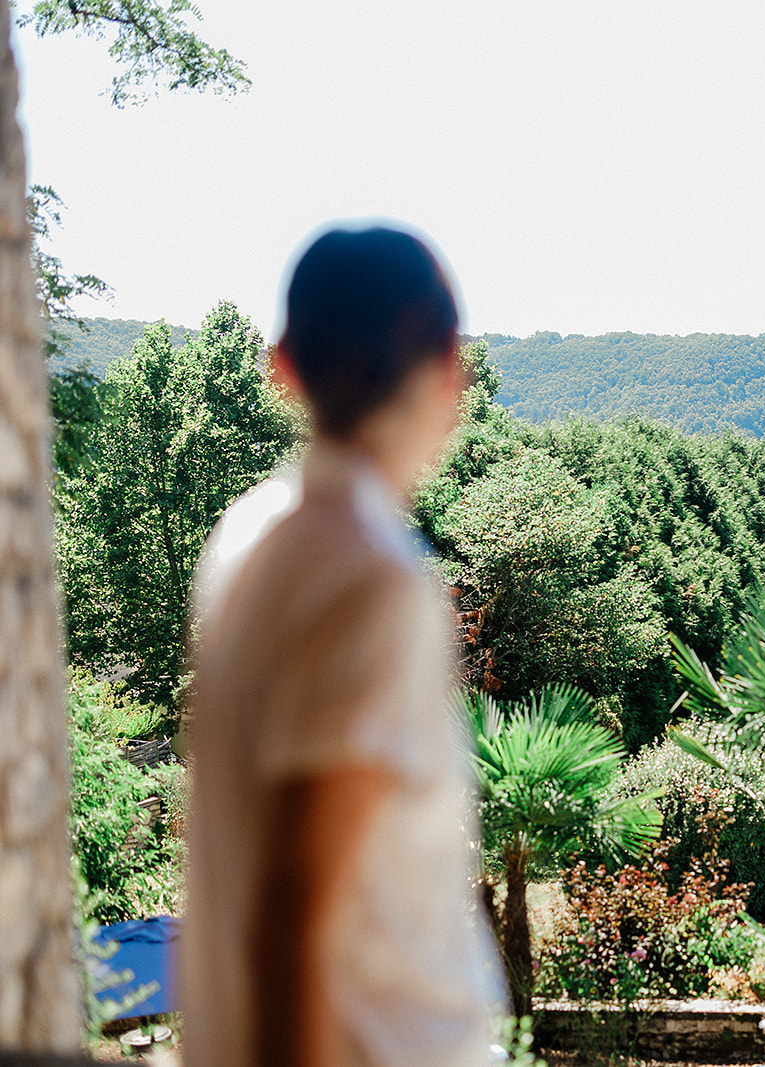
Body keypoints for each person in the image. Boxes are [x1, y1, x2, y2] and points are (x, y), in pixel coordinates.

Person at [182, 226, 503, 1066]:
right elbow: (294, 915)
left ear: (281, 366)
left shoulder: (248, 538)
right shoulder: (373, 581)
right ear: (451, 372)